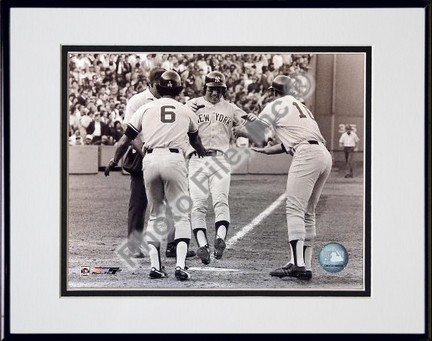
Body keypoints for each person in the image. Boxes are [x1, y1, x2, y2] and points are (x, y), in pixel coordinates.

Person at [105, 70, 206, 281]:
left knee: (155, 214)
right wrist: (203, 155)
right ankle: (179, 265)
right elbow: (196, 142)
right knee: (180, 215)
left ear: (157, 88)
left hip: (149, 160)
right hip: (175, 160)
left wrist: (114, 161)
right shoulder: (186, 110)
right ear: (179, 89)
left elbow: (125, 141)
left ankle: (155, 266)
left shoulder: (145, 107)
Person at [243, 75, 332, 281]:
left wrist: (241, 127)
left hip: (307, 154)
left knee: (294, 208)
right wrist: (268, 151)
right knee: (308, 212)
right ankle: (303, 264)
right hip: (323, 154)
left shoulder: (276, 104)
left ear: (274, 92)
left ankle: (298, 265)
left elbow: (258, 132)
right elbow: (288, 142)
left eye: (270, 92)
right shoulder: (301, 107)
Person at [185, 71, 247, 265]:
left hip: (220, 159)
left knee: (221, 201)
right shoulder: (191, 105)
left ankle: (220, 238)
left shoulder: (230, 108)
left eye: (219, 90)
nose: (215, 93)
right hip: (196, 159)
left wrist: (244, 129)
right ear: (205, 88)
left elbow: (253, 126)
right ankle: (202, 245)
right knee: (198, 204)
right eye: (212, 89)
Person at [108, 67, 166, 258]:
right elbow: (130, 132)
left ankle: (174, 245)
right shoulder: (137, 101)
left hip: (165, 154)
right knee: (139, 203)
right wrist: (146, 152)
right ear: (150, 84)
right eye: (159, 85)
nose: (163, 87)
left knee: (171, 201)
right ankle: (133, 246)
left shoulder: (168, 99)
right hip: (143, 155)